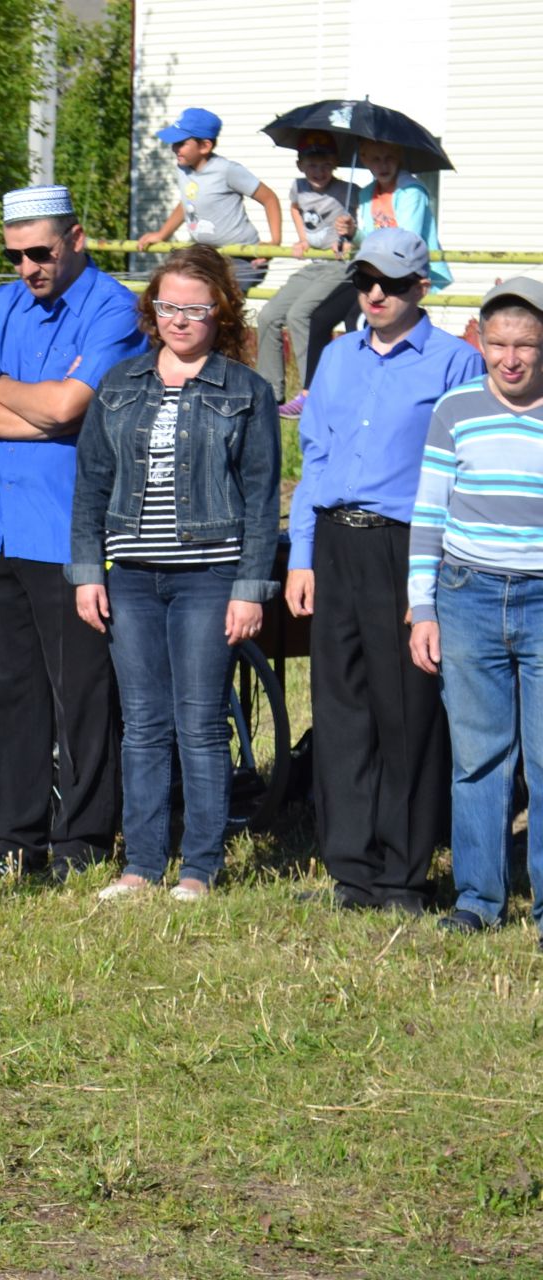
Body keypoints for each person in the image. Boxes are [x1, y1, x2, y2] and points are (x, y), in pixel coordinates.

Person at [69, 245, 280, 902]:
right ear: (151, 310)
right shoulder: (120, 383)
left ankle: (200, 866)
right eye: (169, 307)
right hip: (131, 575)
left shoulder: (245, 392)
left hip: (208, 576)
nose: (181, 320)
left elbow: (260, 495)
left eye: (195, 308)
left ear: (219, 312)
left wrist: (249, 589)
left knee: (198, 720)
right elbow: (91, 485)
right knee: (143, 722)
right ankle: (141, 865)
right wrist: (86, 572)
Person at [286, 229, 484, 915]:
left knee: (408, 711)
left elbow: (464, 473)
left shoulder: (457, 363)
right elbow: (315, 460)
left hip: (409, 545)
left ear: (420, 287)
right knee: (341, 710)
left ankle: (405, 873)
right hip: (337, 542)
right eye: (366, 279)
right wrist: (303, 557)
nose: (376, 293)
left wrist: (429, 582)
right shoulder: (337, 357)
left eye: (392, 283)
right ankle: (352, 867)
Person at [0, 185, 148, 881]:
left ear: (77, 238)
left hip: (69, 528)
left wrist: (2, 386)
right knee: (6, 690)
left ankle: (84, 838)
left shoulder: (115, 307)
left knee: (83, 693)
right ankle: (14, 836)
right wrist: (32, 406)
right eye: (14, 256)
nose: (27, 268)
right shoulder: (5, 303)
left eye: (40, 251)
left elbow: (73, 406)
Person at [407, 277, 543, 946]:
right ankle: (480, 898)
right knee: (479, 758)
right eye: (499, 344)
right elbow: (429, 512)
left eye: (525, 345)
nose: (511, 359)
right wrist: (421, 606)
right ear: (480, 341)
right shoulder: (455, 409)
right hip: (467, 595)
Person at [254, 132, 357, 415]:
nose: (319, 171)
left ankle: (313, 393)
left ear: (335, 164)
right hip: (313, 264)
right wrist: (302, 238)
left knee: (300, 315)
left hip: (339, 265)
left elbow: (358, 227)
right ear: (301, 166)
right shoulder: (298, 187)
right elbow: (296, 208)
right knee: (268, 315)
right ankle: (269, 393)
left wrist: (350, 233)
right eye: (312, 165)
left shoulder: (348, 191)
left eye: (325, 165)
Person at [136, 108, 284, 292]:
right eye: (174, 143)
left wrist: (274, 242)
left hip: (243, 257)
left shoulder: (227, 170)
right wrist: (162, 234)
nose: (175, 148)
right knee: (177, 286)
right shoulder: (183, 169)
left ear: (205, 146)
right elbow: (188, 203)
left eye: (181, 143)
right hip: (207, 254)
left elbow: (269, 198)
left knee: (221, 297)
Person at [333, 140, 453, 293]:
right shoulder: (366, 194)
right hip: (382, 275)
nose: (383, 165)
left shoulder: (411, 191)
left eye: (389, 157)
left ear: (399, 157)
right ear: (364, 159)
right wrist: (352, 232)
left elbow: (408, 242)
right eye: (376, 159)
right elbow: (370, 242)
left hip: (419, 277)